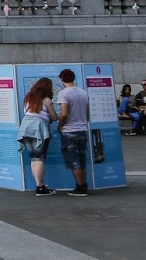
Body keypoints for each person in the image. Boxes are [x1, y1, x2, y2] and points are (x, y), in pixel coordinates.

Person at [56, 68, 91, 196]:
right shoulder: (83, 92)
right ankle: (83, 185)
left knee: (73, 160)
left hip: (70, 130)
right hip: (82, 129)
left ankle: (80, 187)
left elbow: (64, 113)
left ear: (61, 79)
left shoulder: (63, 93)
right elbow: (87, 113)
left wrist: (60, 125)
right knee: (82, 159)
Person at [20, 77, 55, 196]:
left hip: (25, 128)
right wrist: (49, 116)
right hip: (39, 129)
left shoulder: (28, 98)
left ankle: (39, 184)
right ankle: (40, 187)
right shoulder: (46, 100)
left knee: (33, 158)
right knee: (39, 158)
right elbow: (54, 117)